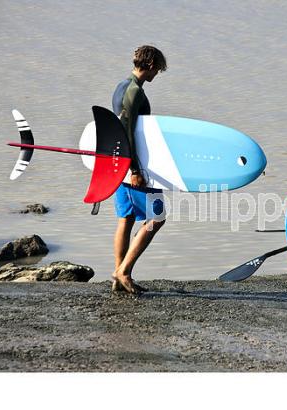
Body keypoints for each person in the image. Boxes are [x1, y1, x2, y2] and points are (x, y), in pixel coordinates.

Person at [111, 45, 167, 294]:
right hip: (134, 165)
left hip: (118, 163)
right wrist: (135, 169)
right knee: (157, 218)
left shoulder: (121, 86)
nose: (158, 74)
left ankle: (118, 274)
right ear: (152, 64)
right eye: (159, 69)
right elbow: (128, 132)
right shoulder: (134, 92)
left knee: (127, 218)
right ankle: (124, 271)